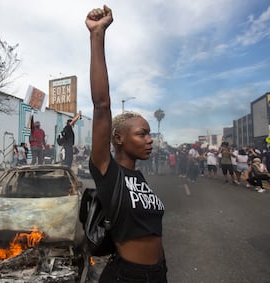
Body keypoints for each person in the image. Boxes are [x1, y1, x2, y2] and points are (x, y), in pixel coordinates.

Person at [86, 5, 167, 282]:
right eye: (141, 134)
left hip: (158, 273)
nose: (149, 139)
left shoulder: (138, 177)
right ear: (118, 138)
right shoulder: (108, 172)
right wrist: (97, 36)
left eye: (148, 133)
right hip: (129, 277)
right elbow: (101, 104)